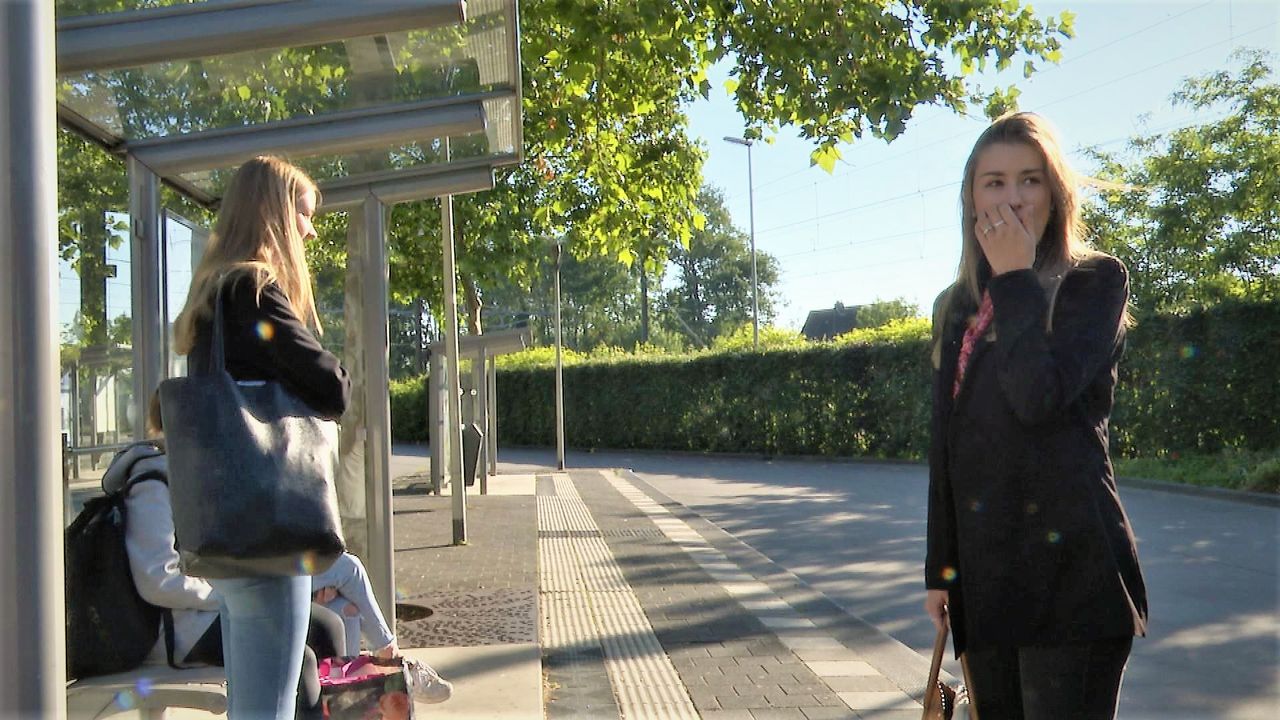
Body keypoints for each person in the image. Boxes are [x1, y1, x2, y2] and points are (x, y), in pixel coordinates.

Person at [923, 112, 1148, 720]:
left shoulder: (1094, 282)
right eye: (994, 182)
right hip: (986, 584)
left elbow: (1038, 400)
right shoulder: (956, 306)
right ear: (972, 199)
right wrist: (941, 571)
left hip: (1074, 578)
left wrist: (1015, 276)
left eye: (1030, 179)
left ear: (1055, 192)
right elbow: (947, 447)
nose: (1013, 197)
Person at [172, 155, 351, 719]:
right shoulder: (254, 289)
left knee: (251, 702)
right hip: (270, 538)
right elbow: (331, 386)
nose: (311, 230)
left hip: (228, 530)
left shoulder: (212, 297)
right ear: (273, 214)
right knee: (269, 707)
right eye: (304, 213)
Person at [105, 393, 352, 720]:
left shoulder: (200, 470)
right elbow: (157, 579)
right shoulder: (153, 482)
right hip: (179, 628)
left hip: (209, 609)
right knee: (301, 660)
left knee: (328, 626)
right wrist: (227, 596)